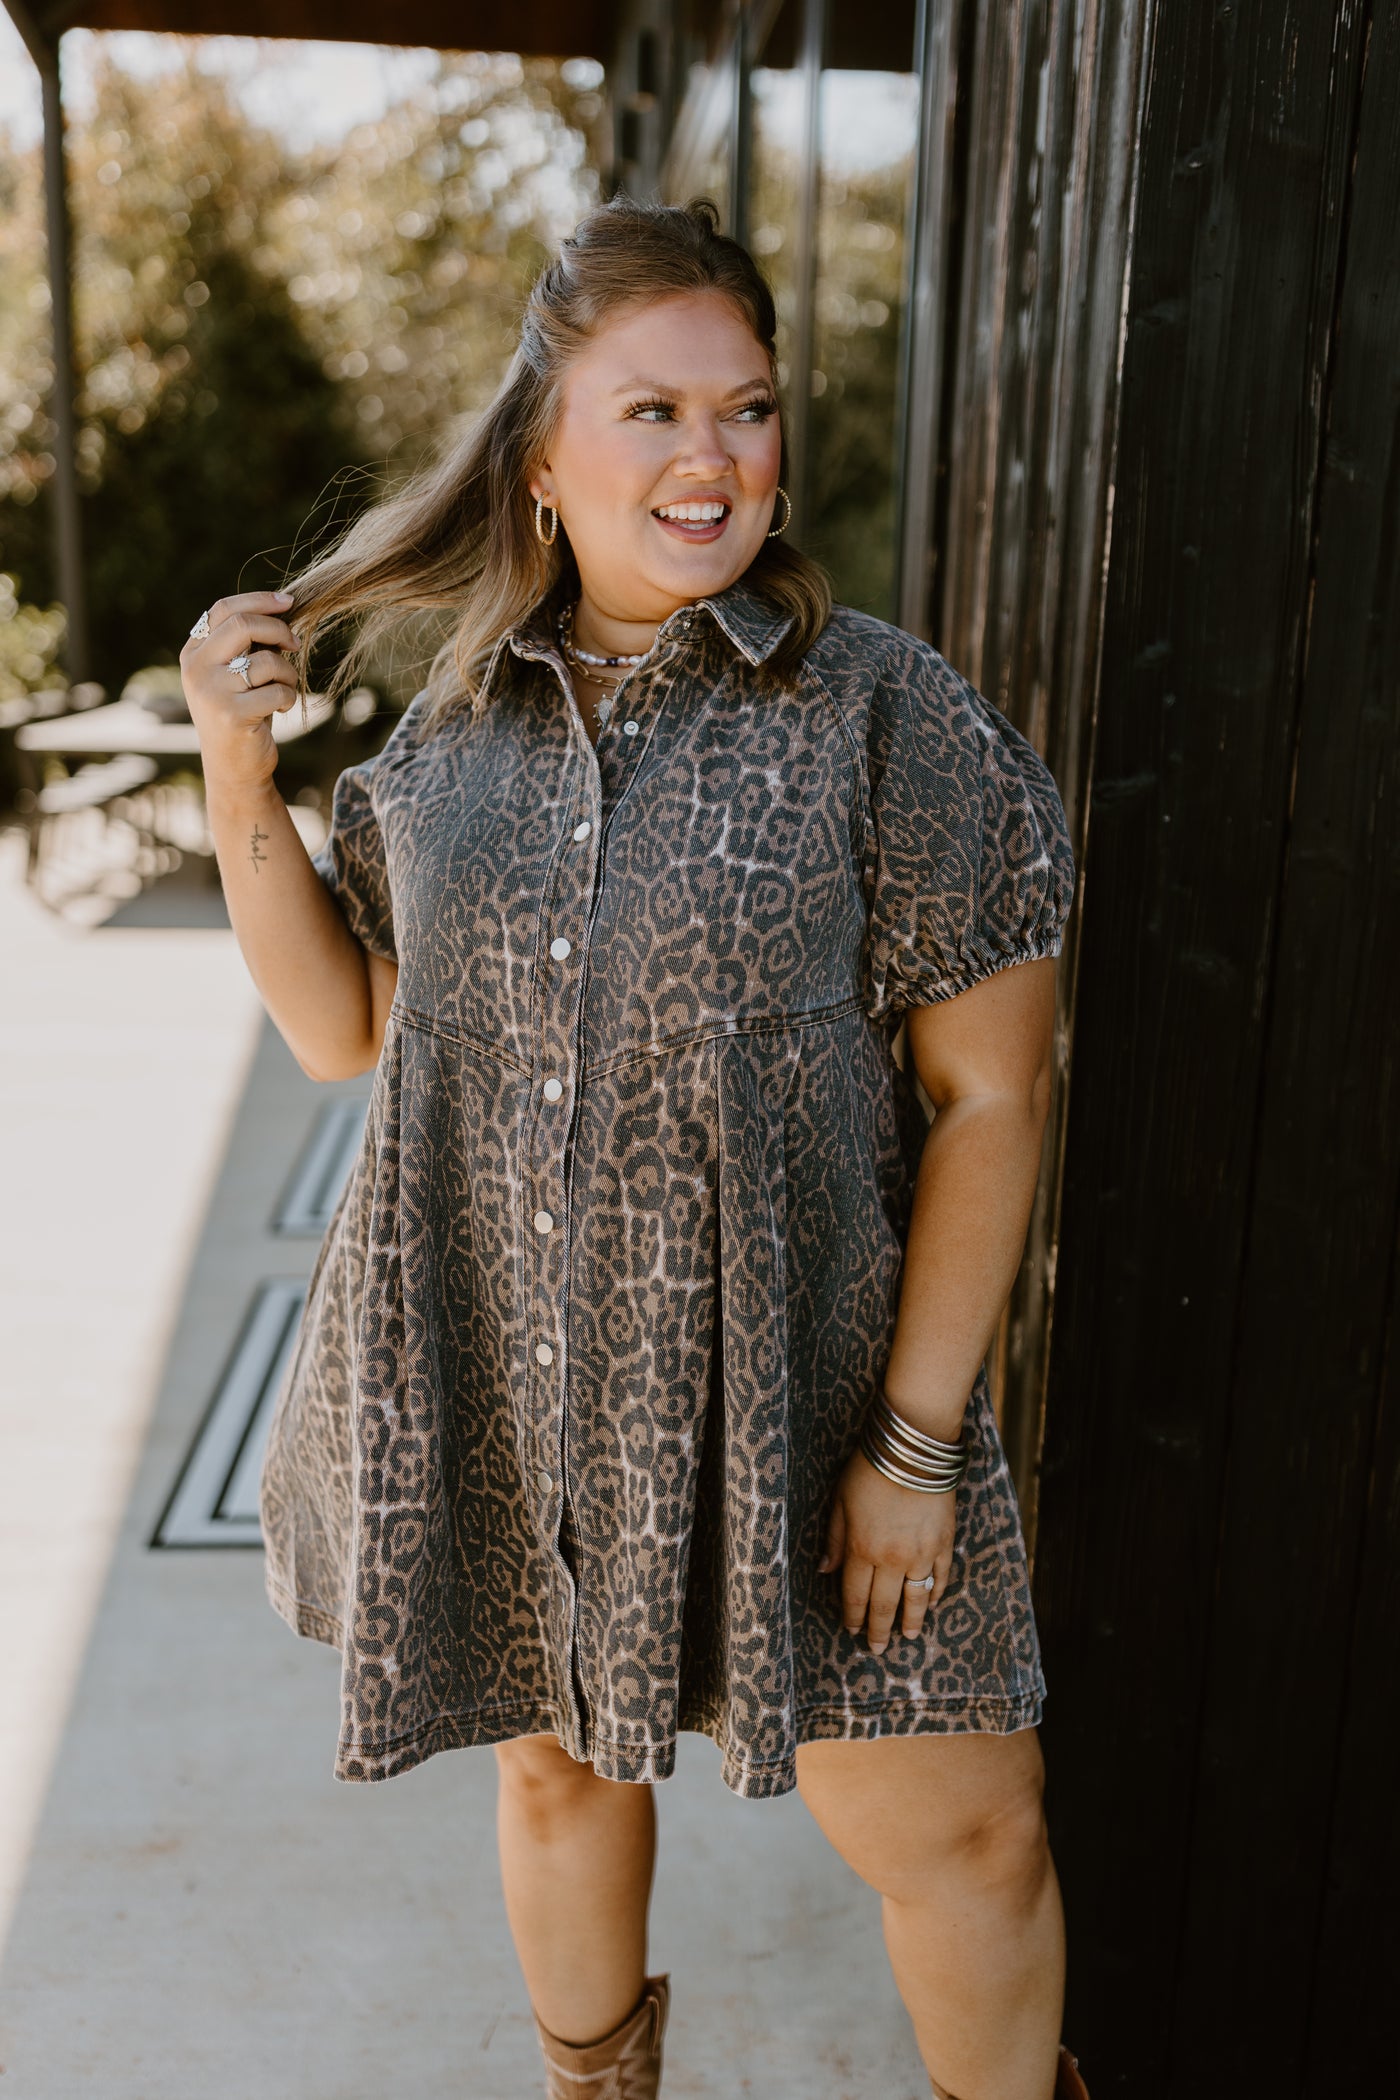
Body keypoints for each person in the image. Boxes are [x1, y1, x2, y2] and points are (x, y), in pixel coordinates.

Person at [179, 196, 1087, 2100]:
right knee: (556, 1765)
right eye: (652, 411)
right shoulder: (454, 733)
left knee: (970, 1833)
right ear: (542, 459)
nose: (708, 458)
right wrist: (237, 776)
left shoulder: (878, 715)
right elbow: (343, 1027)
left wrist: (917, 1445)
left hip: (822, 1390)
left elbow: (995, 1095)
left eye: (743, 410)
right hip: (526, 1370)